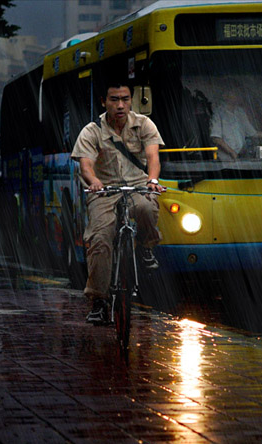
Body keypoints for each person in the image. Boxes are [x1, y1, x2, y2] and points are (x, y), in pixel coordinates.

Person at [71, 80, 166, 325]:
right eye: (114, 99)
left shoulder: (144, 124)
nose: (121, 105)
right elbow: (86, 166)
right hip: (104, 191)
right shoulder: (91, 131)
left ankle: (146, 247)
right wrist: (93, 181)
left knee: (146, 207)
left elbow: (153, 156)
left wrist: (153, 180)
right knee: (100, 240)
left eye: (125, 99)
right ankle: (98, 301)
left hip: (138, 186)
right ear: (104, 102)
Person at [209, 88, 259, 160]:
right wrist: (232, 152)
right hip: (226, 159)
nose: (238, 96)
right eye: (235, 93)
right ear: (225, 96)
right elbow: (216, 138)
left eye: (239, 93)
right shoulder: (218, 113)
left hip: (242, 156)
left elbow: (252, 133)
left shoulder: (240, 112)